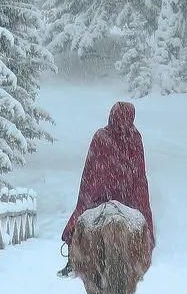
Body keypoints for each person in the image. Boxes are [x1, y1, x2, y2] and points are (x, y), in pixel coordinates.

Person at [58, 100, 154, 276]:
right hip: (128, 196)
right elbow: (138, 173)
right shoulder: (134, 137)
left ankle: (73, 259)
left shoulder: (102, 136)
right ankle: (140, 255)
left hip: (101, 195)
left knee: (81, 216)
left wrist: (94, 193)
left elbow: (91, 171)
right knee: (142, 221)